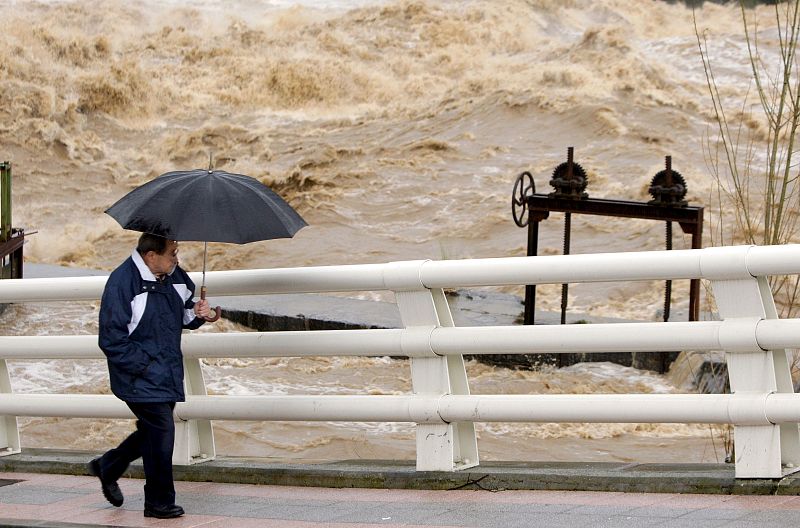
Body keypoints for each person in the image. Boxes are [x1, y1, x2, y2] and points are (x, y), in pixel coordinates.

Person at [88, 233, 213, 519]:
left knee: (153, 431)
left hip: (166, 370)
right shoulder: (122, 283)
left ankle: (108, 466)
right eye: (172, 253)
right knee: (162, 431)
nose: (176, 259)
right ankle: (158, 502)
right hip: (138, 374)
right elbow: (111, 339)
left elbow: (184, 313)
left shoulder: (174, 276)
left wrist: (200, 313)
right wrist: (145, 366)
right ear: (150, 255)